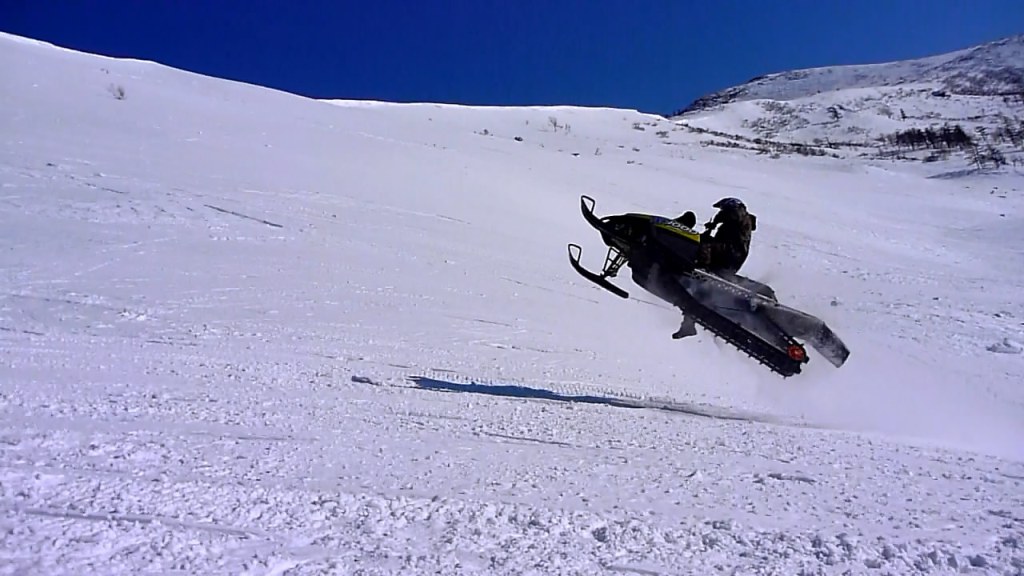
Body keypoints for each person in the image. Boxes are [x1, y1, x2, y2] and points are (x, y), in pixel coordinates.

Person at [671, 197, 759, 339]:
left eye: (724, 210)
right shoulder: (736, 223)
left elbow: (733, 218)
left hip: (729, 256)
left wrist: (714, 224)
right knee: (700, 291)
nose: (722, 213)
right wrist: (714, 225)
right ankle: (688, 324)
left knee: (703, 244)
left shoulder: (739, 219)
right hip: (729, 257)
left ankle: (701, 267)